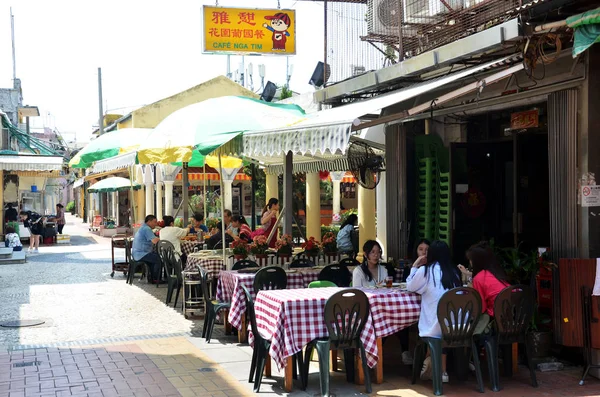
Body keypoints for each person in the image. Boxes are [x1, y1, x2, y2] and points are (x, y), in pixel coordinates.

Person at [406, 240, 462, 383]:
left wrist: (414, 266)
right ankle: (437, 365)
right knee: (441, 325)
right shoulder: (455, 272)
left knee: (434, 328)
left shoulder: (426, 270)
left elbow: (410, 286)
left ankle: (431, 360)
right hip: (458, 328)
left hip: (435, 329)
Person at [397, 238, 431, 366]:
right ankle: (405, 351)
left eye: (427, 250)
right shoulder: (410, 268)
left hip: (428, 309)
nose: (424, 253)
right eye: (420, 249)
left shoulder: (432, 269)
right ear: (416, 251)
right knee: (402, 319)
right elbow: (408, 286)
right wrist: (415, 266)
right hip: (412, 305)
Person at [465, 241, 510, 335]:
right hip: (510, 317)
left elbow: (481, 308)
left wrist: (472, 290)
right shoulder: (496, 273)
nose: (469, 262)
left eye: (471, 260)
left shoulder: (479, 278)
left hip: (496, 320)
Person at [132, 215, 162, 283]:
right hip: (141, 253)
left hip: (137, 253)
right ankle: (156, 279)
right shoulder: (146, 229)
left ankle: (152, 278)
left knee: (154, 257)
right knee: (158, 259)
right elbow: (154, 241)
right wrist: (163, 238)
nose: (156, 224)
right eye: (154, 222)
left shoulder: (143, 227)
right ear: (149, 221)